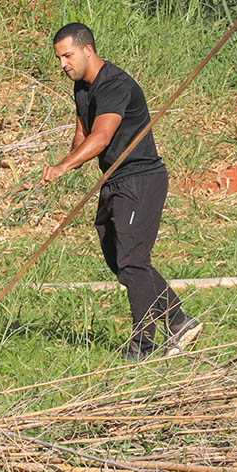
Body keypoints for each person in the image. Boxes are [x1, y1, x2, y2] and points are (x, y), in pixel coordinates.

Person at [41, 22, 203, 361]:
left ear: (88, 50)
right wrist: (69, 160)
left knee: (133, 261)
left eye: (67, 56)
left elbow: (101, 137)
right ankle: (179, 321)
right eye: (59, 58)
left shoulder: (115, 84)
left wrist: (63, 167)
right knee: (120, 260)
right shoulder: (82, 88)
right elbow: (84, 135)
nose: (63, 64)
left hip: (140, 178)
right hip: (115, 180)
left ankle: (143, 347)